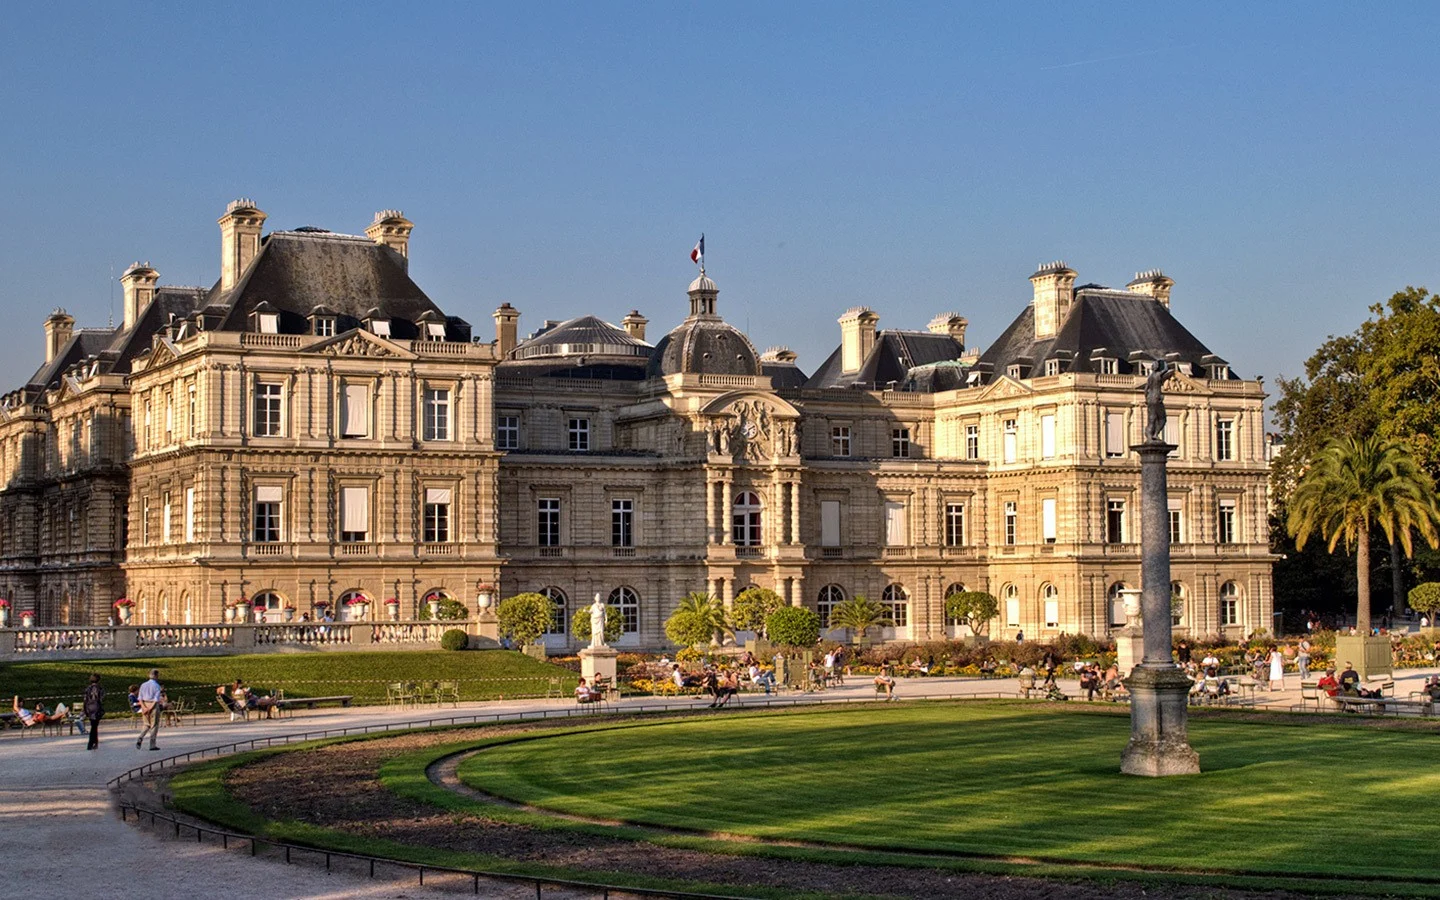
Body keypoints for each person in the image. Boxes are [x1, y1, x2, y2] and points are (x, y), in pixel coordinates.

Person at [136, 668, 163, 751]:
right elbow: (156, 699)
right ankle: (152, 744)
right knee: (154, 725)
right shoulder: (157, 686)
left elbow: (140, 697)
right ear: (156, 676)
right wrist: (150, 708)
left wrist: (144, 707)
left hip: (144, 704)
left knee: (146, 724)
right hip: (153, 705)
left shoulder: (143, 685)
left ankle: (140, 737)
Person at [82, 673, 104, 750]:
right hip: (96, 708)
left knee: (93, 726)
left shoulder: (88, 688)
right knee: (94, 726)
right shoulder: (99, 688)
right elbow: (100, 699)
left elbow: (85, 699)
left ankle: (95, 741)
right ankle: (91, 743)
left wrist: (85, 709)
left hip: (89, 708)